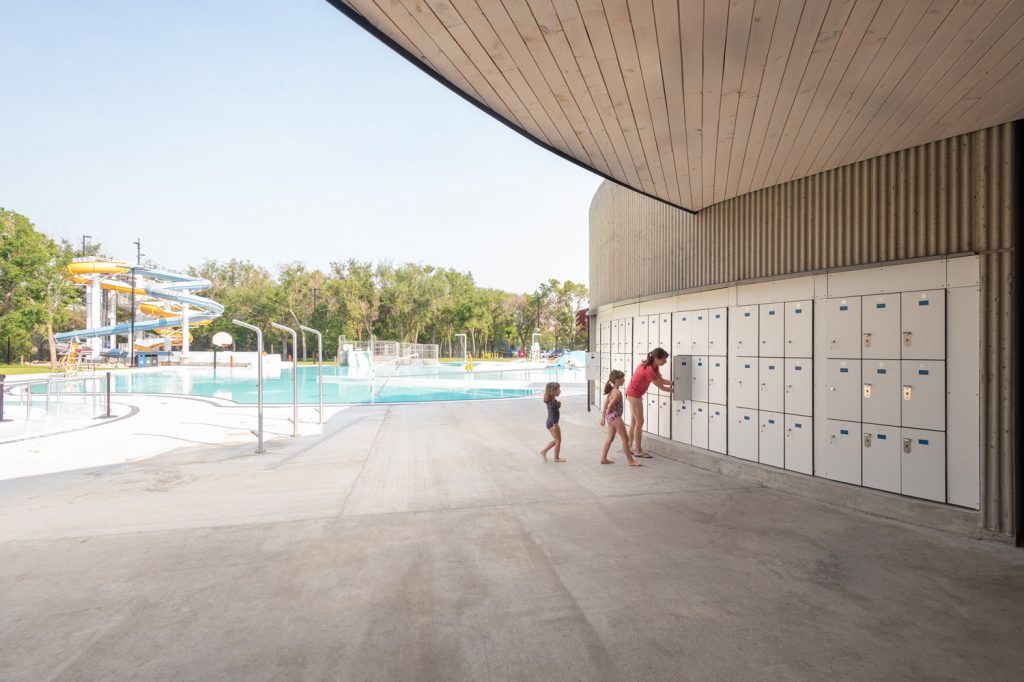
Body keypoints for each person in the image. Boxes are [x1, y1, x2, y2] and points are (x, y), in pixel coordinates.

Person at [626, 348, 672, 458]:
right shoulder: (649, 369)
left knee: (634, 422)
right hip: (634, 395)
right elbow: (661, 387)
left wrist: (674, 383)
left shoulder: (654, 366)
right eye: (664, 359)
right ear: (656, 359)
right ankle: (638, 450)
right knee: (640, 421)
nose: (665, 362)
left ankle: (628, 447)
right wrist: (676, 389)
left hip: (633, 393)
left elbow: (661, 380)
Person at [599, 370, 641, 466]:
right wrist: (610, 412)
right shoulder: (617, 392)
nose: (624, 380)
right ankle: (630, 461)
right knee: (625, 439)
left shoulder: (611, 390)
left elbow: (605, 404)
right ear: (617, 379)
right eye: (622, 378)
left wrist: (604, 417)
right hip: (615, 417)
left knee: (610, 438)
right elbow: (609, 406)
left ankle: (603, 458)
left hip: (610, 417)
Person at [539, 382, 564, 462]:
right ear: (553, 391)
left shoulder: (551, 400)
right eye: (559, 389)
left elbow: (553, 410)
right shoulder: (553, 402)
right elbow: (553, 414)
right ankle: (556, 458)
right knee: (558, 441)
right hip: (553, 423)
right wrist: (555, 425)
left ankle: (544, 451)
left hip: (549, 422)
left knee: (557, 440)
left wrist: (558, 405)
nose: (560, 391)